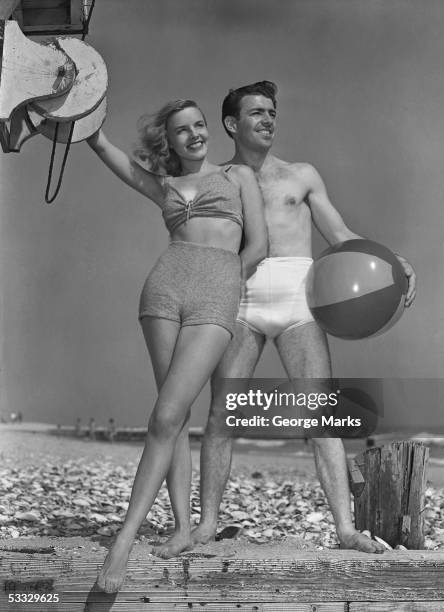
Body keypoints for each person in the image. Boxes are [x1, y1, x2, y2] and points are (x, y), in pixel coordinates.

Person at [179, 81, 414, 554]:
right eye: (256, 113)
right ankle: (206, 525)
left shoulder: (301, 175)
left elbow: (341, 234)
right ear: (232, 124)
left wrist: (393, 263)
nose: (268, 119)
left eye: (272, 112)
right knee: (222, 417)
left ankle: (345, 530)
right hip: (241, 302)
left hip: (298, 300)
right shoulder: (218, 180)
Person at [86, 99, 267, 592]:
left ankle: (123, 538)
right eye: (181, 130)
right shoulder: (164, 185)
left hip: (215, 294)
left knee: (165, 415)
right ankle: (183, 527)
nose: (193, 135)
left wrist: (229, 280)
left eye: (199, 125)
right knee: (175, 417)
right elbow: (108, 151)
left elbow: (258, 246)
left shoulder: (238, 176)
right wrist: (81, 113)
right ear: (170, 142)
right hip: (163, 291)